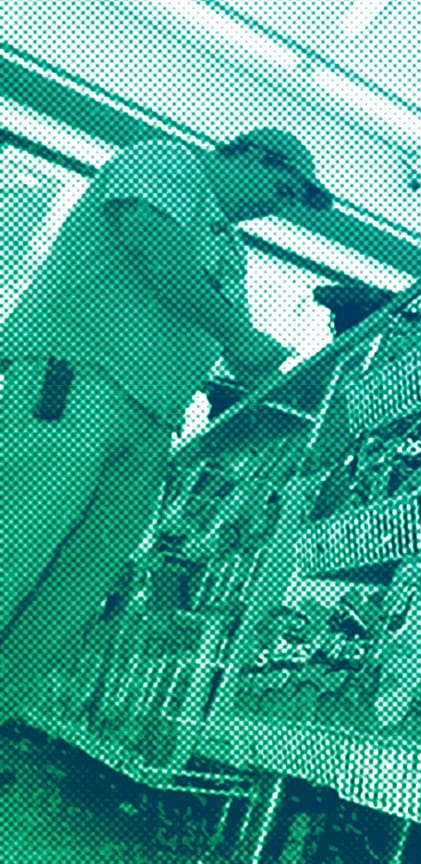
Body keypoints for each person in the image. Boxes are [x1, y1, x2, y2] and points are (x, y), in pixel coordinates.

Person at [0, 127, 332, 723]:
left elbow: (235, 356)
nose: (278, 208)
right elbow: (154, 244)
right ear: (251, 155)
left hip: (153, 422)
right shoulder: (167, 162)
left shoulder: (232, 254)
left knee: (74, 587)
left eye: (289, 204)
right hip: (80, 379)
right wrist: (237, 335)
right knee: (15, 543)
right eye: (282, 188)